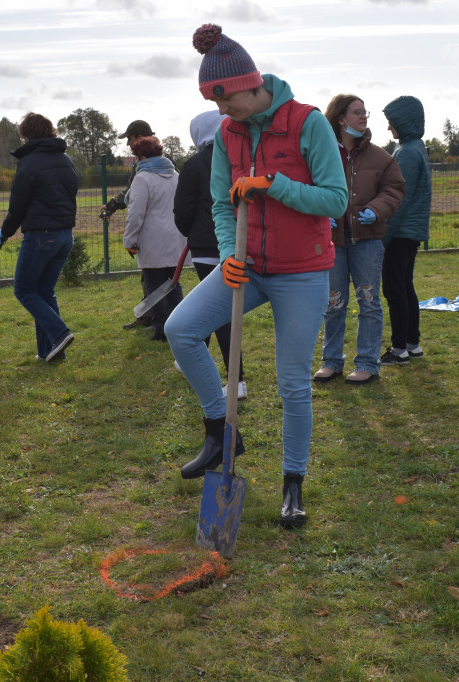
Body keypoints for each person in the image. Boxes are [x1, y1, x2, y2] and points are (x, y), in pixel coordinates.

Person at [166, 24, 347, 528]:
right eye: (215, 104)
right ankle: (219, 430)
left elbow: (336, 200)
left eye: (226, 101)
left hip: (301, 271)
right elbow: (223, 205)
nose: (222, 113)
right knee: (180, 329)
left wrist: (273, 184)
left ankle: (293, 482)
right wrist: (228, 253)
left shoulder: (307, 123)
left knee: (293, 383)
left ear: (250, 85)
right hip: (248, 267)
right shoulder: (228, 134)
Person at [314, 95, 405, 385]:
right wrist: (319, 214)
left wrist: (375, 210)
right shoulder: (321, 153)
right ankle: (331, 362)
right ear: (341, 118)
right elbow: (309, 186)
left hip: (367, 241)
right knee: (334, 303)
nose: (364, 117)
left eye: (365, 113)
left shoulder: (381, 157)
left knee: (368, 301)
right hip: (333, 242)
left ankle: (367, 363)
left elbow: (394, 189)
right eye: (358, 112)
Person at [174, 109, 248, 400]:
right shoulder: (241, 159)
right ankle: (188, 357)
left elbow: (182, 210)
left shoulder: (195, 164)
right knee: (216, 307)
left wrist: (193, 233)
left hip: (209, 250)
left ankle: (237, 381)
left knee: (221, 314)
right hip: (241, 246)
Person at [0, 113, 79, 362]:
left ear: (27, 135)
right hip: (65, 236)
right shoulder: (65, 160)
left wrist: (5, 231)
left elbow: (18, 205)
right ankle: (50, 352)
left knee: (24, 289)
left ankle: (59, 333)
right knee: (45, 291)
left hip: (41, 237)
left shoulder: (29, 163)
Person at [380, 96, 431, 366]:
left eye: (391, 123)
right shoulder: (414, 147)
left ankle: (399, 348)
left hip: (400, 233)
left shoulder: (408, 152)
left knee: (394, 289)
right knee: (405, 287)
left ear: (403, 121)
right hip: (409, 233)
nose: (389, 128)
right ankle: (413, 344)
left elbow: (399, 198)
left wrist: (384, 236)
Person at [122, 136, 186, 341]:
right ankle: (178, 325)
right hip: (175, 237)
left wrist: (129, 241)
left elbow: (135, 213)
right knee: (172, 284)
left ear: (141, 156)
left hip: (152, 239)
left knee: (154, 287)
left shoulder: (142, 178)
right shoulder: (175, 175)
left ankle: (160, 329)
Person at [104, 120, 158, 331]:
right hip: (151, 226)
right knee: (149, 275)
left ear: (138, 138)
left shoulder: (153, 161)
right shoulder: (143, 161)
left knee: (157, 277)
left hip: (156, 226)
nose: (128, 143)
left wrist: (113, 205)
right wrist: (111, 205)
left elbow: (133, 195)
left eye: (130, 138)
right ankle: (149, 317)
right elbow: (130, 193)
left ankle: (160, 321)